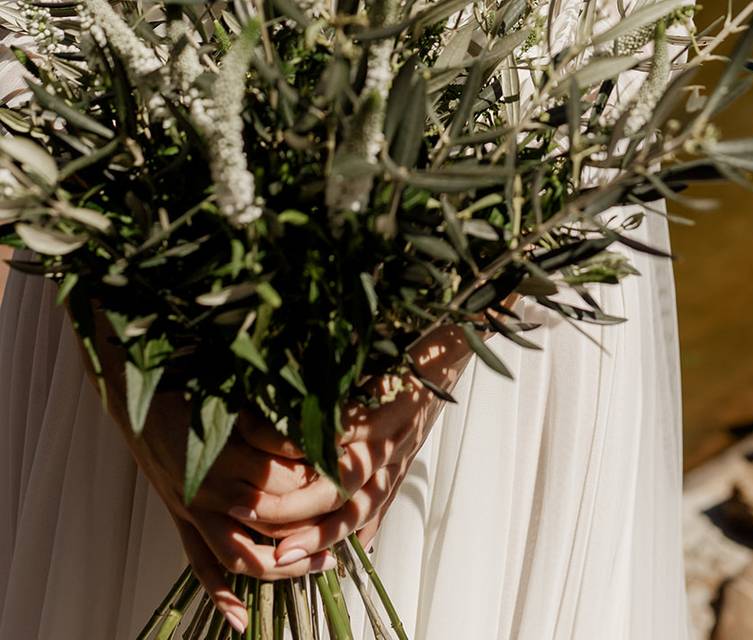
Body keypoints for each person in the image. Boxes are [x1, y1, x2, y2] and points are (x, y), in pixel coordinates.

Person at [0, 2, 689, 638]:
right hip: (124, 232)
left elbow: (632, 35)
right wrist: (123, 362)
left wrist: (437, 351)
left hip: (495, 277)